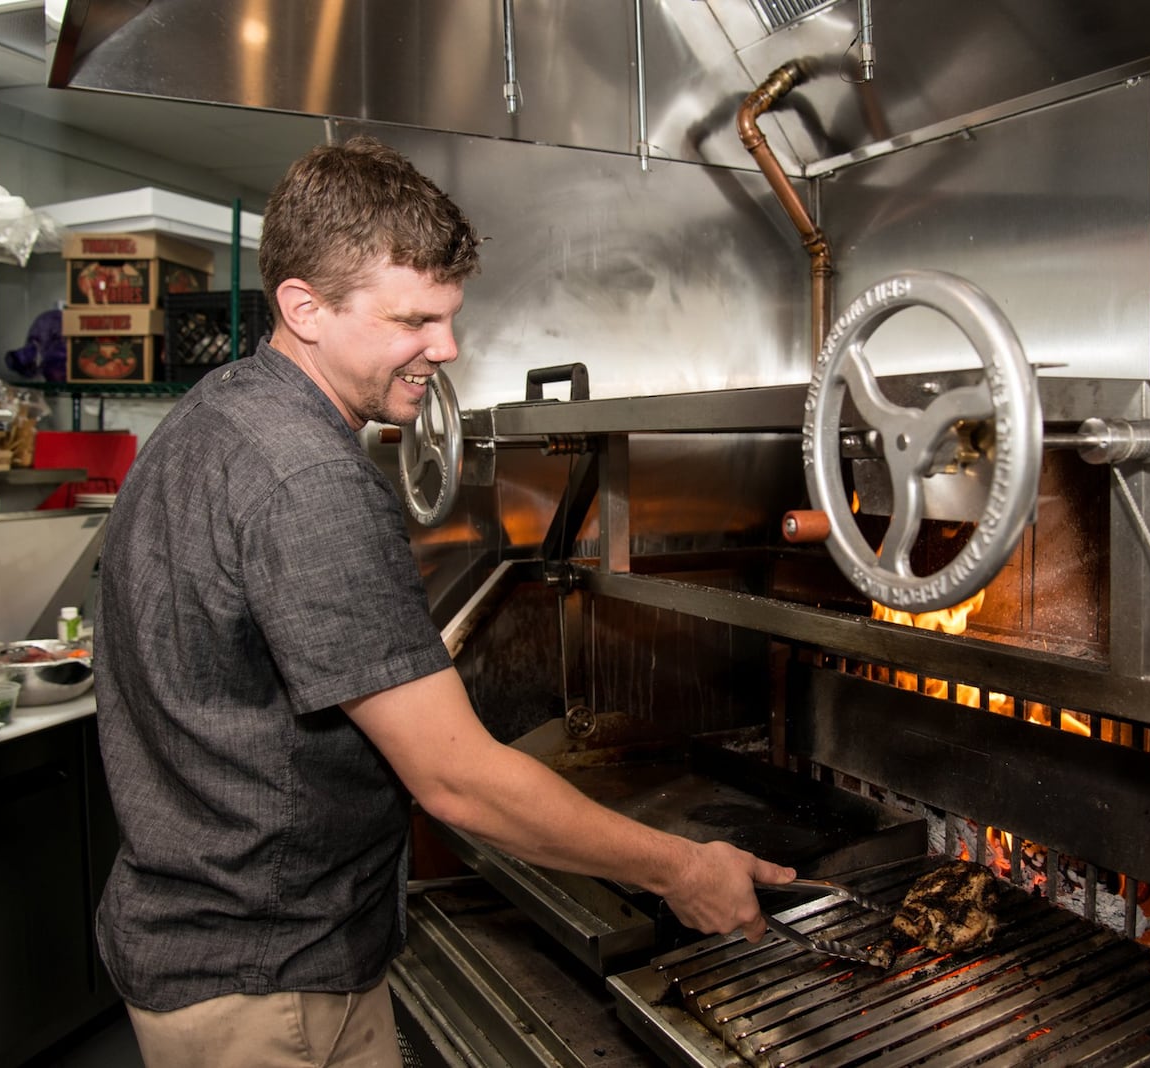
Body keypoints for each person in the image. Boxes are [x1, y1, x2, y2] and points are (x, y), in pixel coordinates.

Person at [92, 135, 795, 1068]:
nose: (448, 348)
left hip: (211, 942)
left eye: (451, 315)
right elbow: (456, 779)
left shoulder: (211, 419)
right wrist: (682, 868)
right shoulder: (307, 480)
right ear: (304, 308)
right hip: (270, 988)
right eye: (414, 320)